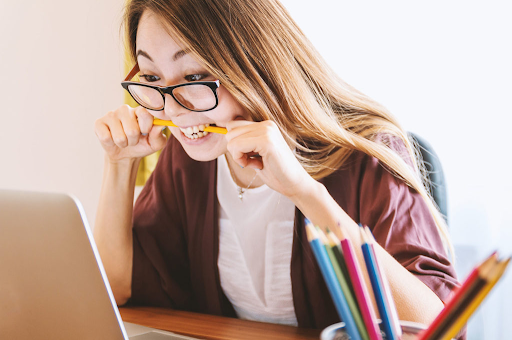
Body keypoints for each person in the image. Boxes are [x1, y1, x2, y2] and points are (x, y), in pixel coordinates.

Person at [93, 0, 460, 331]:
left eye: (194, 77)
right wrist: (119, 165)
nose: (172, 109)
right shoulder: (190, 157)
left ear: (254, 63)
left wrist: (304, 192)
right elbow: (117, 287)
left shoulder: (366, 153)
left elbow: (439, 328)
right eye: (152, 78)